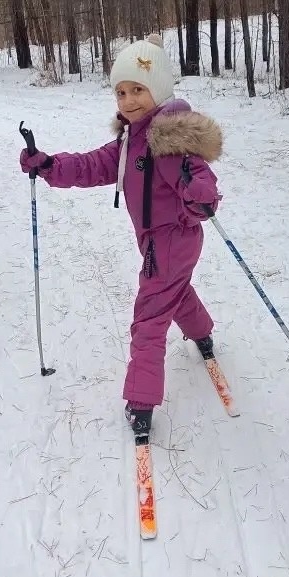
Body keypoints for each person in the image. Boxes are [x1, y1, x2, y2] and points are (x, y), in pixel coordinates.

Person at [20, 34, 222, 440]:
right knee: (175, 292)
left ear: (159, 90)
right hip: (162, 245)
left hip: (169, 243)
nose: (128, 100)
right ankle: (203, 334)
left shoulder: (169, 140)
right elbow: (93, 165)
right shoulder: (133, 137)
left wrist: (197, 192)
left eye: (138, 90)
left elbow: (203, 185)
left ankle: (141, 403)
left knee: (148, 320)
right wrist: (48, 165)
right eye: (121, 92)